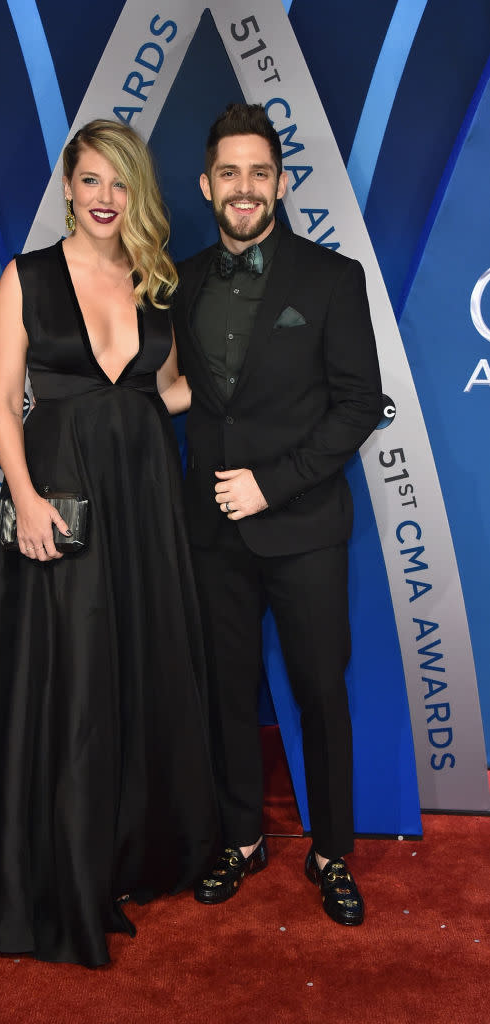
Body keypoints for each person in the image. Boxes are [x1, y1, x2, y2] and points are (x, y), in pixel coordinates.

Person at [0, 119, 218, 967]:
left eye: (119, 183)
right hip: (55, 503)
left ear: (136, 193)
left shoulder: (154, 281)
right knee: (65, 674)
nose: (104, 198)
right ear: (67, 186)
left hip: (141, 507)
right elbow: (1, 405)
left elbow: (169, 389)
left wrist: (142, 419)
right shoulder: (24, 279)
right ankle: (51, 853)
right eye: (91, 180)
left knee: (134, 662)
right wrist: (22, 498)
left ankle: (124, 846)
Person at [172, 103, 382, 925]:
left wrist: (270, 482)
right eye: (229, 173)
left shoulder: (331, 278)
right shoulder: (179, 280)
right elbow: (172, 390)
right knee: (225, 690)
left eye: (260, 172)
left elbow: (358, 403)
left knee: (318, 691)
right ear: (206, 185)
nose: (244, 187)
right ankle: (240, 839)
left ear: (282, 183)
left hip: (300, 527)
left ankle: (330, 851)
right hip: (209, 532)